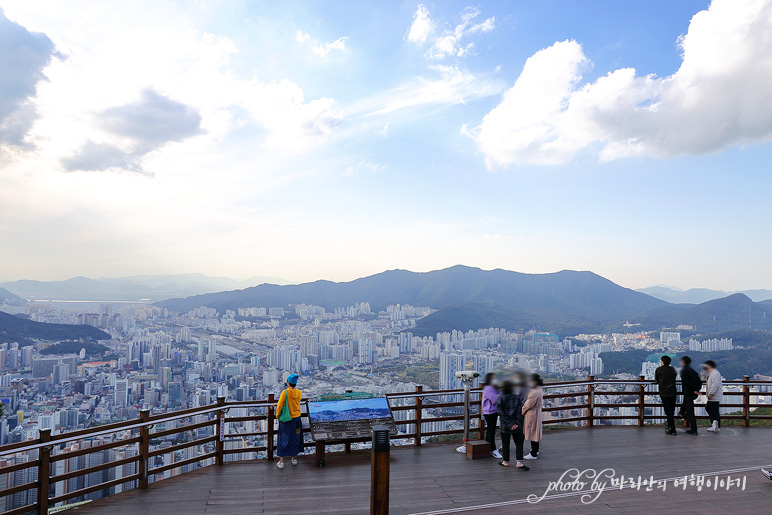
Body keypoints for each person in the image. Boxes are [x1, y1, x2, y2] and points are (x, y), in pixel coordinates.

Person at [497, 379, 528, 470]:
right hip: (517, 424)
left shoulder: (501, 398)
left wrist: (510, 424)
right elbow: (520, 411)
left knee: (505, 443)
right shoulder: (517, 397)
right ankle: (519, 462)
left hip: (505, 425)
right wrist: (516, 423)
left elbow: (501, 414)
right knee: (519, 443)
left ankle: (505, 461)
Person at [276, 373, 303, 468]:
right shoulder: (299, 393)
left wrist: (277, 415)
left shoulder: (285, 392)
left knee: (283, 438)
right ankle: (294, 459)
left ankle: (281, 462)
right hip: (297, 420)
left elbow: (280, 405)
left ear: (288, 383)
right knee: (296, 437)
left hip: (286, 420)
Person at [522, 374, 544, 460]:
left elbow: (528, 405)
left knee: (532, 432)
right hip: (537, 412)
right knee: (536, 431)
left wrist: (523, 411)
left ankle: (533, 453)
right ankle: (535, 450)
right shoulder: (539, 389)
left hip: (532, 413)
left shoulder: (534, 391)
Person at [655, 355, 678, 435]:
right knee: (671, 410)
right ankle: (670, 426)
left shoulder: (659, 369)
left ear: (662, 362)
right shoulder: (673, 369)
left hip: (664, 392)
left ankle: (673, 429)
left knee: (668, 411)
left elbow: (657, 380)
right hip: (673, 391)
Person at [679, 356, 701, 435]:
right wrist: (697, 389)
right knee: (688, 407)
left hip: (688, 393)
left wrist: (694, 390)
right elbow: (699, 381)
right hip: (693, 393)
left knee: (690, 412)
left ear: (683, 362)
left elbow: (687, 382)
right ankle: (681, 412)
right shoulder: (693, 371)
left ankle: (694, 430)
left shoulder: (683, 371)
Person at [481, 372, 501, 458]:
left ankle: (487, 448)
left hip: (492, 411)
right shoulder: (488, 388)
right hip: (489, 412)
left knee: (491, 430)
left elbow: (501, 393)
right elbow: (495, 400)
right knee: (491, 431)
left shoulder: (493, 387)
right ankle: (493, 449)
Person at [704, 360, 723, 432]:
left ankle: (716, 426)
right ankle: (714, 425)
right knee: (709, 408)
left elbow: (715, 384)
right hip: (712, 395)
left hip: (714, 395)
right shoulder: (711, 373)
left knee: (714, 410)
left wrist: (711, 393)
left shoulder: (715, 373)